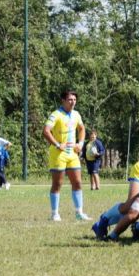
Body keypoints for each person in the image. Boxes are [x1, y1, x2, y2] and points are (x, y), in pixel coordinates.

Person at [42, 90, 91, 221]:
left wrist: (80, 143)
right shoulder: (56, 114)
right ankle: (54, 213)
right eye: (70, 99)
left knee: (78, 182)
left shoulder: (76, 114)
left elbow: (82, 129)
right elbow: (46, 131)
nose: (73, 102)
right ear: (63, 100)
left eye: (74, 99)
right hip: (58, 154)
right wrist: (58, 144)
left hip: (73, 154)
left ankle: (79, 213)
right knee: (57, 183)